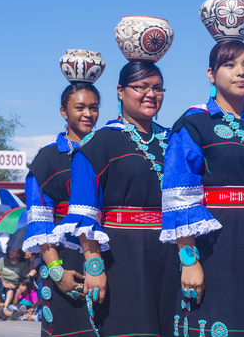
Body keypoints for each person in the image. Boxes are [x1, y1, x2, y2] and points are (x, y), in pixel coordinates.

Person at [161, 40, 244, 336]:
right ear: (211, 74)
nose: (240, 72)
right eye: (230, 65)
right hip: (215, 245)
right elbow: (179, 197)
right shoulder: (194, 124)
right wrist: (189, 261)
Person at [53, 61, 179, 337]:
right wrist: (94, 267)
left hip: (170, 256)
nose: (150, 94)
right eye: (141, 87)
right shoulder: (97, 145)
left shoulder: (174, 141)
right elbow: (85, 215)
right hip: (121, 259)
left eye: (158, 88)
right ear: (120, 91)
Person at [22, 81, 101, 336]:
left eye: (94, 107)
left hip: (103, 260)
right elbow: (40, 223)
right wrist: (57, 272)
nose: (87, 114)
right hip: (63, 263)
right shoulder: (47, 159)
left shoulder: (106, 150)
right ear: (63, 111)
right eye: (79, 107)